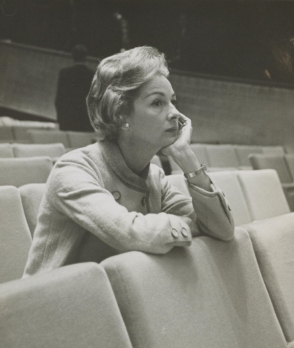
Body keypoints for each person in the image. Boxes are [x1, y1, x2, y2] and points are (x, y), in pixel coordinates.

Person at [23, 46, 234, 277]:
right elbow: (129, 233)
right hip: (56, 304)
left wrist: (185, 155)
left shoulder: (155, 179)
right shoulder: (73, 169)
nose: (175, 113)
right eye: (157, 103)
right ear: (121, 114)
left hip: (113, 299)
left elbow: (223, 229)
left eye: (173, 101)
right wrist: (191, 224)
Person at [55, 44, 94, 132]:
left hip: (68, 121)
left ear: (72, 56)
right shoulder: (92, 74)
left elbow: (59, 99)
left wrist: (60, 120)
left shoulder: (64, 73)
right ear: (85, 57)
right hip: (86, 122)